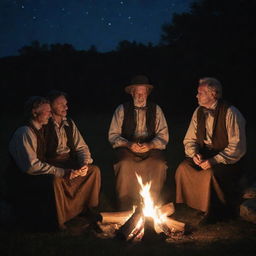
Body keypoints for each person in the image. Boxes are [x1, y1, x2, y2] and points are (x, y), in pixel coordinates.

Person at [175, 77, 246, 222]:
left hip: (227, 159)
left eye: (200, 93)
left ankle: (215, 210)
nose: (196, 96)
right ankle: (195, 205)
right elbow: (190, 139)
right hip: (204, 154)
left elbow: (237, 147)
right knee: (183, 167)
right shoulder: (198, 111)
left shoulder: (231, 112)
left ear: (213, 94)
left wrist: (214, 160)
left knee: (209, 174)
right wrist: (194, 154)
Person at [108, 75, 169, 210]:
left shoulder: (156, 109)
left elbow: (163, 135)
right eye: (138, 93)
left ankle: (152, 205)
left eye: (143, 93)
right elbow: (113, 135)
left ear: (147, 93)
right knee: (124, 164)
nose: (141, 96)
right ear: (132, 93)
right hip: (127, 147)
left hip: (151, 147)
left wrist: (151, 145)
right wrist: (128, 144)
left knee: (158, 164)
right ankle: (126, 205)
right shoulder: (121, 109)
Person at [44, 90, 101, 229]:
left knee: (94, 171)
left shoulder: (69, 123)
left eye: (66, 104)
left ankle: (88, 208)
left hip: (69, 161)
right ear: (50, 106)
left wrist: (84, 163)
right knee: (57, 180)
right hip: (52, 162)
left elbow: (81, 146)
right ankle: (62, 219)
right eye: (61, 104)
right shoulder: (44, 124)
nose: (66, 107)